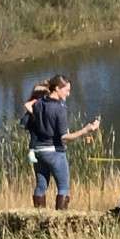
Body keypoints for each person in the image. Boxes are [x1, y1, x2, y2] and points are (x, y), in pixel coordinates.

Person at [30, 75, 101, 210]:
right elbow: (64, 137)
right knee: (63, 188)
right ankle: (59, 221)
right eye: (66, 90)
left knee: (41, 186)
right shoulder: (59, 109)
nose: (68, 94)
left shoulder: (38, 103)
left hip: (38, 151)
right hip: (55, 153)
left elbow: (33, 112)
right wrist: (86, 130)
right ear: (57, 88)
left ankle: (39, 217)